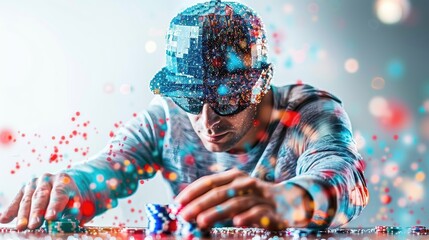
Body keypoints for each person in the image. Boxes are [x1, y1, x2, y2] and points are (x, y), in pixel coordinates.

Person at [0, 0, 369, 231]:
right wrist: (69, 188)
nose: (207, 120)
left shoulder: (309, 114)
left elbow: (345, 179)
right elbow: (108, 171)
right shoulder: (166, 118)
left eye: (227, 100)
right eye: (191, 99)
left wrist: (288, 201)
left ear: (260, 86)